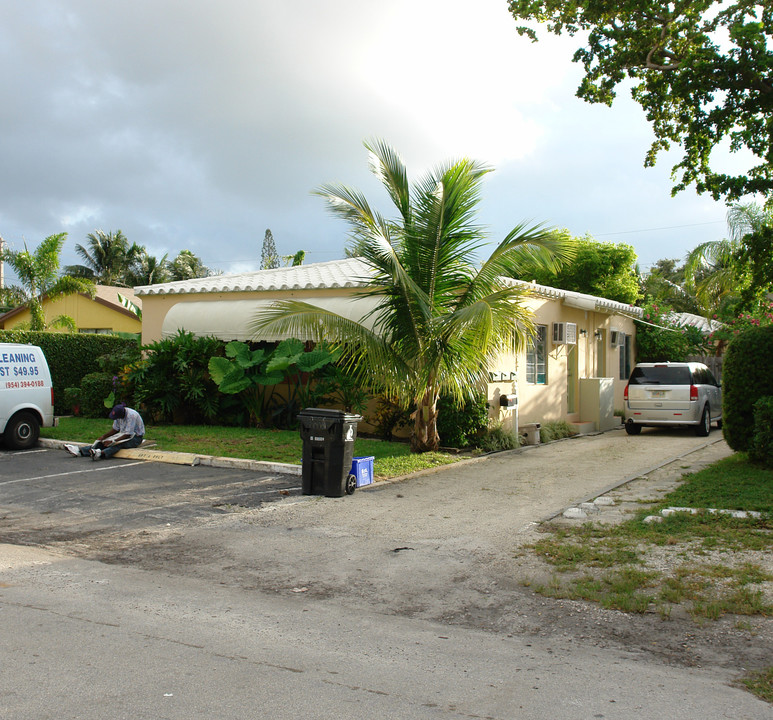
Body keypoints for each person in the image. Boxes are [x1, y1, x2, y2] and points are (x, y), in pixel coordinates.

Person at [64, 403, 145, 460]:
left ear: (122, 414)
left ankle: (100, 453)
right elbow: (115, 429)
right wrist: (103, 437)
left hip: (135, 438)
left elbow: (128, 434)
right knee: (103, 442)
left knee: (118, 444)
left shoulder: (131, 416)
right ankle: (80, 451)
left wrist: (113, 441)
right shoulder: (118, 415)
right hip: (124, 435)